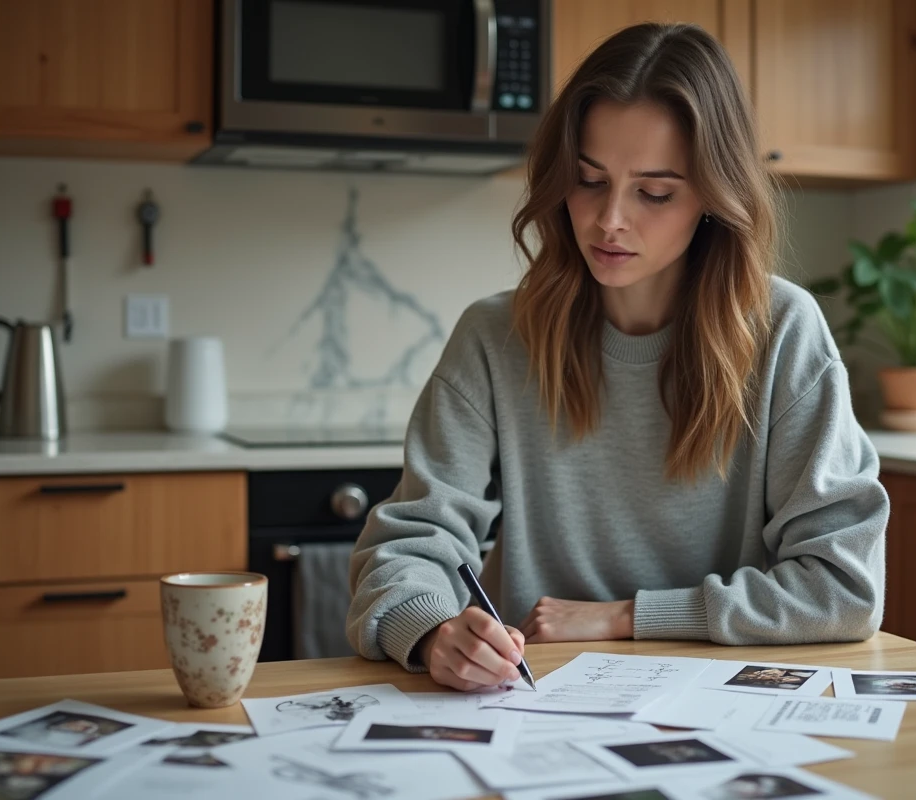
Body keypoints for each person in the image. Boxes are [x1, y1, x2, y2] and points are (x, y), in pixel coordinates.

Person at [347, 21, 888, 692]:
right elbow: (406, 546)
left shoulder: (783, 331)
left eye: (654, 192)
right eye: (588, 180)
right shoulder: (493, 337)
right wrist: (433, 632)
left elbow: (842, 586)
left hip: (727, 704)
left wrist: (626, 617)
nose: (609, 221)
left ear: (714, 199)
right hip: (528, 701)